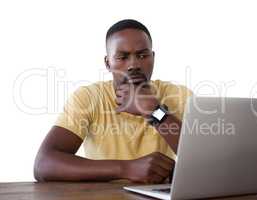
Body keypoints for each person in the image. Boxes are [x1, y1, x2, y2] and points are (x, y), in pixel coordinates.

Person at [34, 19, 193, 184]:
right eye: (122, 57)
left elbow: (205, 159)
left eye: (142, 55)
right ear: (108, 63)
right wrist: (126, 169)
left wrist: (154, 110)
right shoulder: (89, 97)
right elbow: (43, 165)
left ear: (153, 57)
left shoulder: (179, 95)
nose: (133, 65)